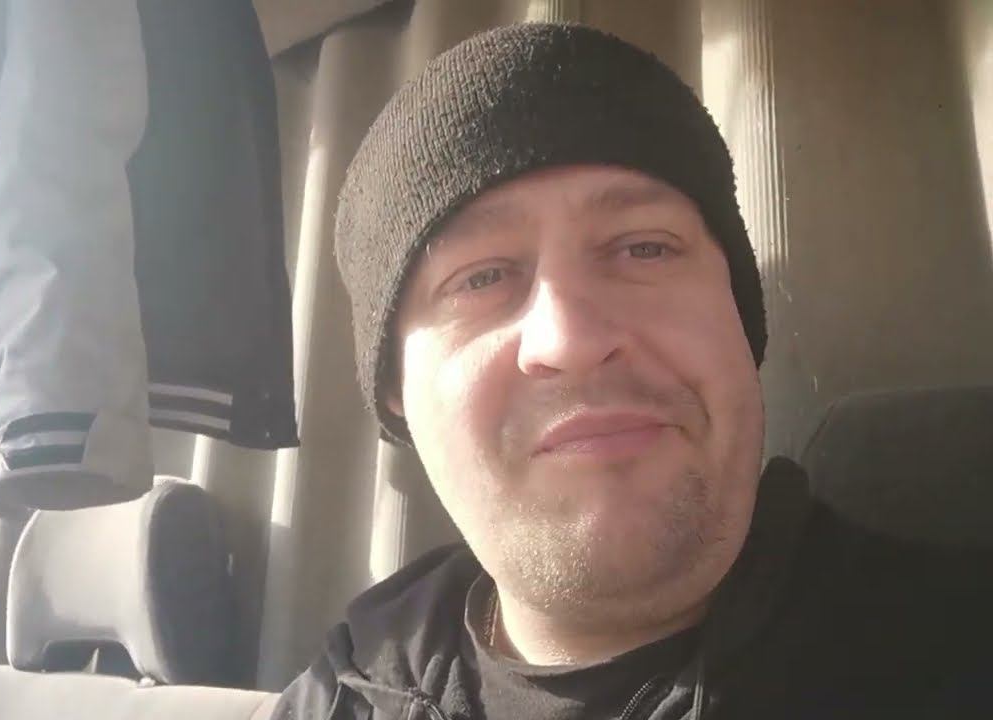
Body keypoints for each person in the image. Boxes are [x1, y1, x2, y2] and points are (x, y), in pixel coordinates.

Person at [272, 22, 991, 720]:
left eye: (645, 248)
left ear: (740, 320)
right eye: (481, 277)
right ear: (395, 389)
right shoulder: (341, 693)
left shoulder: (957, 654)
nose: (571, 339)